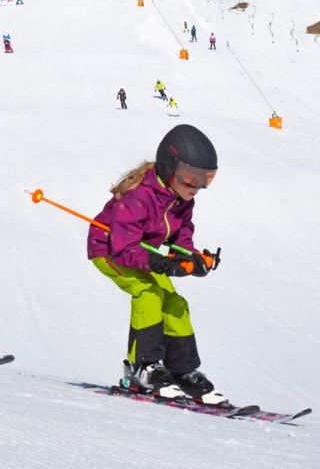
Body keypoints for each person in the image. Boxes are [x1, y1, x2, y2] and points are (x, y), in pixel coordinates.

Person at [86, 124, 223, 402]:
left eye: (205, 178)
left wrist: (191, 258)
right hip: (110, 251)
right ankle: (143, 368)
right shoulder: (139, 197)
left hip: (146, 254)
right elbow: (124, 250)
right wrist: (162, 263)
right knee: (148, 294)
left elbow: (181, 234)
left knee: (174, 302)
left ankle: (183, 372)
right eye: (189, 178)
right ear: (168, 167)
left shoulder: (181, 198)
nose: (196, 187)